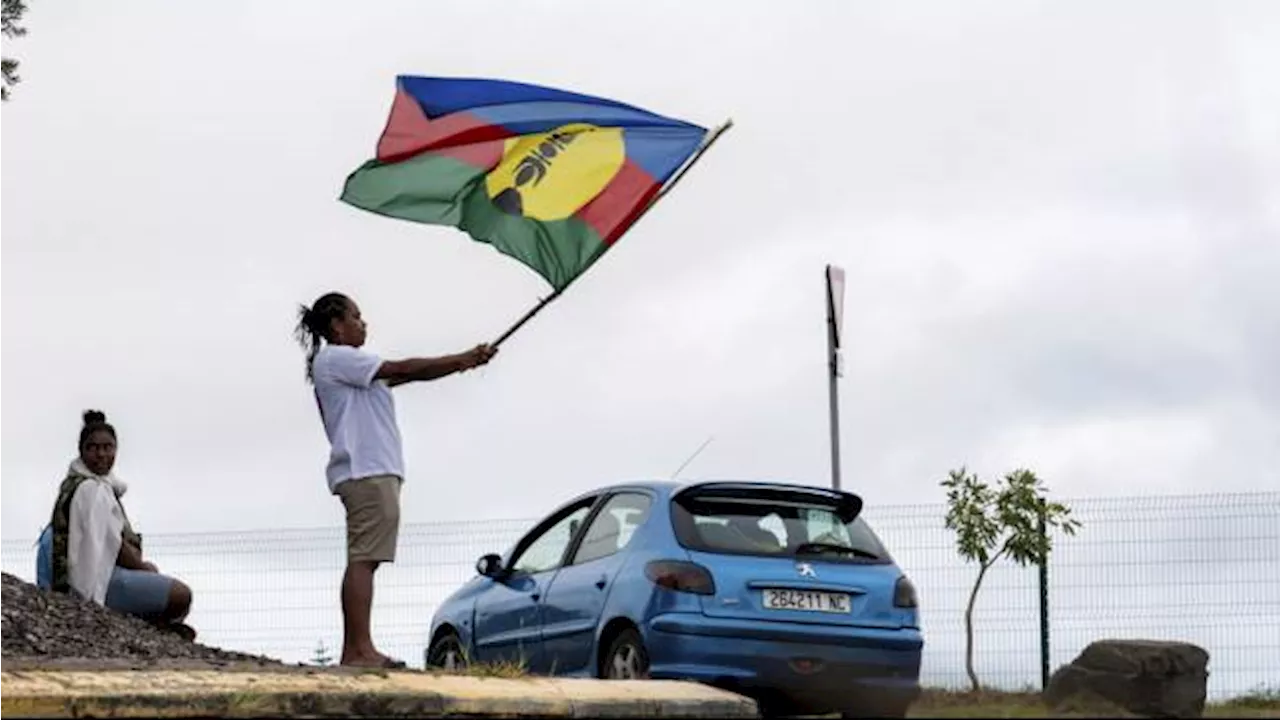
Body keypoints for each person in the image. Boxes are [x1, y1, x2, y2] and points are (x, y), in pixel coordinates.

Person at [294, 292, 496, 669]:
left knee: (365, 558)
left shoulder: (348, 368)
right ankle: (358, 650)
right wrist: (462, 358)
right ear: (337, 325)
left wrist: (460, 365)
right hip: (365, 470)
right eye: (356, 316)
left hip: (370, 471)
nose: (363, 323)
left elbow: (410, 376)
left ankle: (357, 648)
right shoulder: (338, 358)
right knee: (364, 558)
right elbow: (404, 369)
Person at [36, 410, 196, 640]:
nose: (101, 454)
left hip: (95, 576)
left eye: (107, 447)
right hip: (91, 584)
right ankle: (152, 625)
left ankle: (152, 623)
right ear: (82, 451)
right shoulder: (92, 489)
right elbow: (113, 545)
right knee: (182, 596)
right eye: (93, 448)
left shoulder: (88, 484)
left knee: (153, 576)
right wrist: (142, 568)